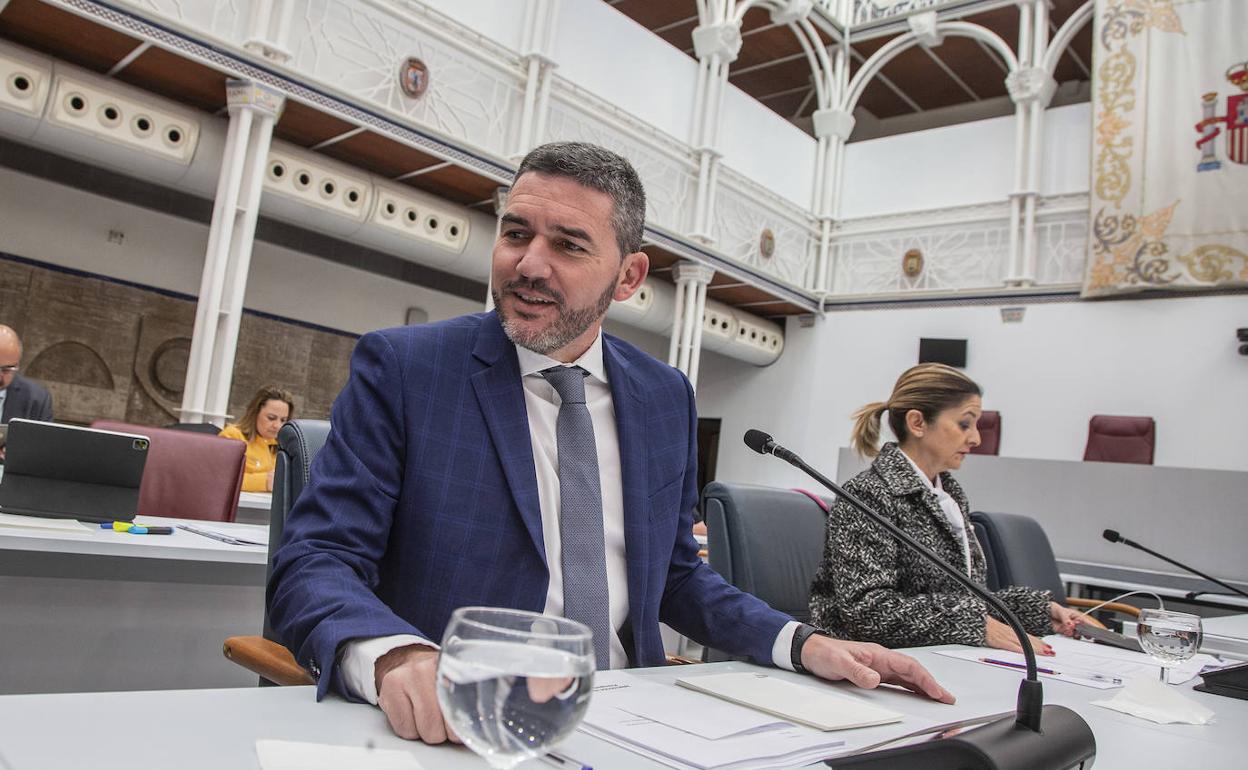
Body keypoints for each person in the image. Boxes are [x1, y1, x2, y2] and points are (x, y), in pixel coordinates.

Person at [268, 141, 954, 745]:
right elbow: (316, 560)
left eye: (567, 244)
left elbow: (675, 576)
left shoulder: (664, 396)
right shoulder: (408, 371)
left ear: (628, 276)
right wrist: (395, 658)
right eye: (516, 234)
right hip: (469, 722)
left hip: (638, 722)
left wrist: (805, 644)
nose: (528, 265)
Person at [808, 363, 1083, 656]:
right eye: (965, 424)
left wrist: (1039, 611)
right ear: (918, 423)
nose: (976, 438)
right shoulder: (868, 495)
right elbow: (868, 612)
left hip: (943, 657)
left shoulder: (950, 494)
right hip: (866, 665)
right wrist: (975, 624)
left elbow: (965, 599)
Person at [219, 386, 294, 492]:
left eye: (283, 420)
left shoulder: (285, 445)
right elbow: (221, 479)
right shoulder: (232, 436)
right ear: (255, 413)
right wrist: (265, 481)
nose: (277, 425)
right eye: (271, 418)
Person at [0, 325, 53, 462]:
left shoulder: (37, 399)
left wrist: (19, 454)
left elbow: (45, 450)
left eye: (7, 370)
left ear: (17, 364)